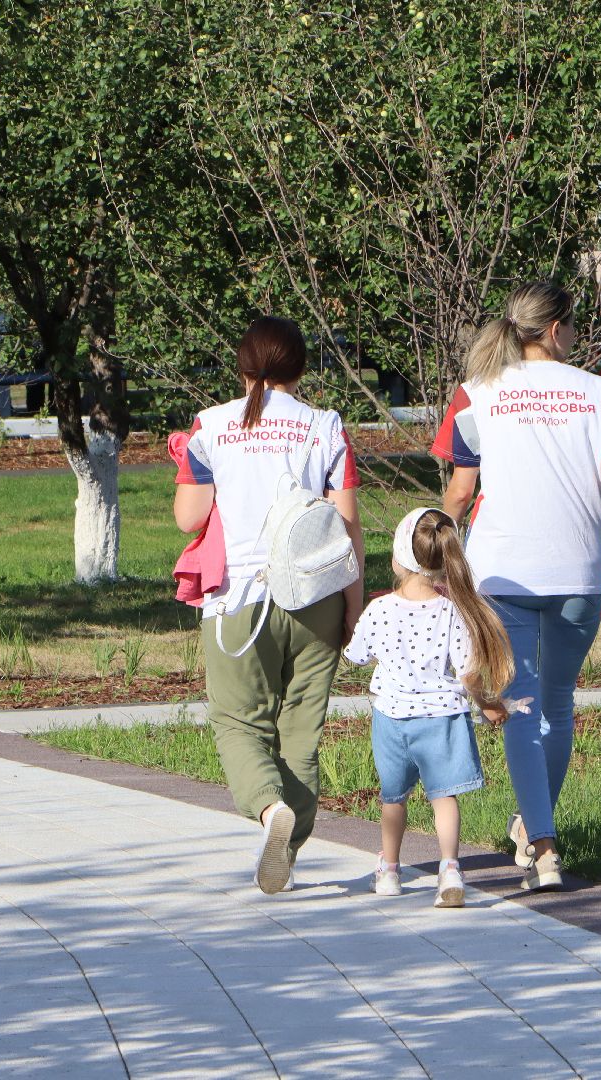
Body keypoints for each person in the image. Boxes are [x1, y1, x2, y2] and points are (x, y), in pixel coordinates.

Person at [431, 280, 601, 892]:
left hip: (501, 571)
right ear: (556, 329)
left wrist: (431, 555)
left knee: (520, 709)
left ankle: (542, 841)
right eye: (576, 325)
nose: (579, 335)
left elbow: (460, 491)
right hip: (576, 571)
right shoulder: (595, 392)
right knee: (556, 706)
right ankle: (539, 834)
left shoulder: (475, 393)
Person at [173, 316, 365, 894]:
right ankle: (292, 837)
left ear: (243, 367)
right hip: (317, 596)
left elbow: (189, 517)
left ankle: (266, 812)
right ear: (302, 368)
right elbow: (348, 526)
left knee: (238, 722)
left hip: (239, 597)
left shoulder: (210, 428)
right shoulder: (325, 427)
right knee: (301, 731)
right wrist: (354, 608)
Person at [342, 506, 515, 908]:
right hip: (443, 717)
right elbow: (468, 671)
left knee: (392, 798)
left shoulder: (379, 609)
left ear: (399, 559)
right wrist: (487, 704)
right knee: (444, 797)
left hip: (392, 719)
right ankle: (450, 869)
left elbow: (355, 655)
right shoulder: (452, 610)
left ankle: (389, 871)